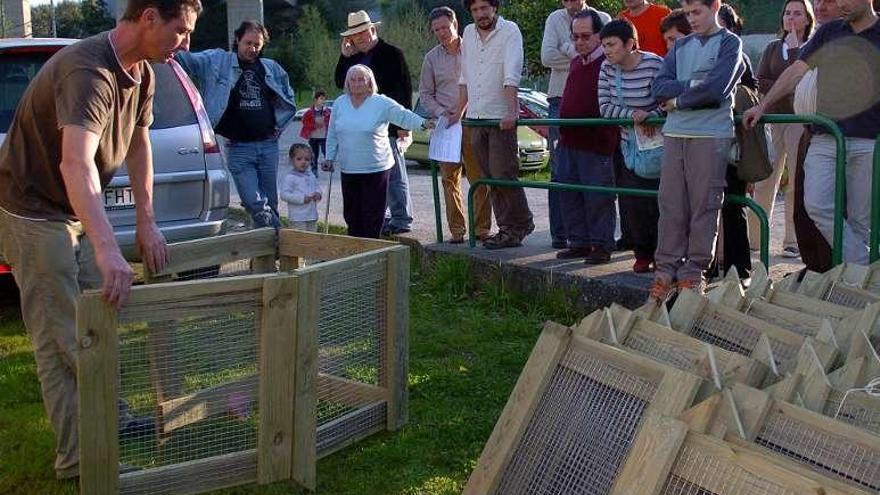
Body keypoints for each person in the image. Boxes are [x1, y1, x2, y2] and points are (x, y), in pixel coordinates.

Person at [0, 0, 199, 479]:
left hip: (70, 208)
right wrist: (109, 249)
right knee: (62, 335)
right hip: (32, 208)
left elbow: (137, 144)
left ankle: (114, 418)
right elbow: (76, 163)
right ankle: (79, 459)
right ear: (149, 17)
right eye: (181, 30)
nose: (186, 43)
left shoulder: (144, 73)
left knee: (97, 316)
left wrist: (148, 222)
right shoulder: (87, 71)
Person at [744, 0, 880, 265]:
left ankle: (857, 284)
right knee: (816, 204)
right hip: (826, 135)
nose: (841, 4)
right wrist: (763, 105)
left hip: (868, 139)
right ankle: (866, 266)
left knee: (861, 219)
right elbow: (796, 72)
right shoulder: (829, 32)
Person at [650, 0, 744, 300]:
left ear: (715, 6)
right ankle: (664, 273)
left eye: (697, 12)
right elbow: (658, 87)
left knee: (704, 205)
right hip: (675, 134)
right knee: (670, 205)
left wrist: (678, 100)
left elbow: (716, 89)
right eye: (687, 13)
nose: (691, 19)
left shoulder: (731, 43)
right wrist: (693, 86)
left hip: (710, 134)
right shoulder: (680, 46)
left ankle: (693, 275)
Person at [175, 21, 296, 229]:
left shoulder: (270, 67)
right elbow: (186, 60)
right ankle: (283, 237)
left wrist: (280, 125)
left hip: (268, 145)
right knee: (254, 202)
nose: (253, 49)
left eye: (257, 45)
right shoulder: (217, 60)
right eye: (248, 43)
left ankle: (265, 257)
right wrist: (176, 37)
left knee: (270, 203)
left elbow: (288, 95)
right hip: (239, 148)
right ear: (237, 40)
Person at [455, 0, 534, 249]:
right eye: (475, 10)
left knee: (503, 173)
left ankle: (517, 225)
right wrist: (457, 113)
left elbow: (512, 72)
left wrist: (512, 111)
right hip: (476, 116)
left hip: (500, 117)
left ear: (494, 8)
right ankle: (510, 227)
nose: (480, 14)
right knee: (488, 177)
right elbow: (464, 76)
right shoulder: (467, 32)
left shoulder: (509, 30)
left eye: (484, 8)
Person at [323, 65, 434, 239]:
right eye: (353, 79)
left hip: (376, 168)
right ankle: (355, 249)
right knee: (352, 214)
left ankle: (371, 250)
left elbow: (403, 115)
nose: (357, 83)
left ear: (370, 83)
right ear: (347, 83)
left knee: (372, 214)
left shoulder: (381, 102)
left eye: (362, 79)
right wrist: (329, 157)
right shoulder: (340, 103)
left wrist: (424, 123)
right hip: (349, 168)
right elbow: (332, 132)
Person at [541, 0, 612, 249]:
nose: (579, 42)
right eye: (575, 38)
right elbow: (545, 56)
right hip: (570, 136)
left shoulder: (606, 64)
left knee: (596, 195)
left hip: (595, 140)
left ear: (600, 36)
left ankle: (601, 245)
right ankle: (578, 241)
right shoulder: (576, 62)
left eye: (585, 36)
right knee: (568, 188)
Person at [335, 10, 414, 236]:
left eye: (362, 33)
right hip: (361, 131)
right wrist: (345, 56)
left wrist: (403, 125)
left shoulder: (392, 53)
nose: (359, 38)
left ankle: (401, 218)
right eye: (355, 35)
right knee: (373, 181)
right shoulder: (353, 57)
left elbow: (404, 89)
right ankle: (383, 218)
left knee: (394, 175)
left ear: (372, 30)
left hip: (387, 125)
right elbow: (340, 82)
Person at [419, 6, 492, 244]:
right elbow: (425, 94)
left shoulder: (474, 48)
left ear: (455, 25)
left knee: (478, 176)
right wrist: (443, 113)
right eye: (436, 29)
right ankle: (457, 231)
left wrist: (465, 110)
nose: (441, 32)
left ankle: (481, 229)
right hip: (447, 125)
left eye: (444, 27)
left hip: (473, 120)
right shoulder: (431, 58)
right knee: (449, 179)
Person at [750, 0, 816, 260]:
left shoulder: (812, 48)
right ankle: (754, 239)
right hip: (773, 119)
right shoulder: (772, 48)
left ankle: (792, 240)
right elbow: (761, 80)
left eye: (797, 13)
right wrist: (782, 83)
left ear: (807, 18)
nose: (791, 18)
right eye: (788, 13)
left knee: (796, 182)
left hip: (800, 119)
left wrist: (795, 55)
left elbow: (805, 80)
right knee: (766, 178)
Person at [598, 19, 664, 273]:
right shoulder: (606, 69)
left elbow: (666, 99)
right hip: (629, 146)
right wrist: (634, 115)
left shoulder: (654, 64)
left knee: (660, 203)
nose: (607, 50)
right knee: (634, 204)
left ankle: (663, 253)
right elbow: (605, 107)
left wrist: (652, 115)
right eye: (604, 45)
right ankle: (642, 253)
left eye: (612, 44)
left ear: (630, 44)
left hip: (658, 145)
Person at [791, 0, 842, 272]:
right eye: (818, 0)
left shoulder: (848, 36)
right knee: (803, 207)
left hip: (840, 134)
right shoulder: (818, 38)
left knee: (831, 207)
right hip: (810, 130)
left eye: (829, 1)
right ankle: (814, 267)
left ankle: (837, 267)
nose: (821, 6)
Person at [281, 144, 321, 232]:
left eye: (307, 159)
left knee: (312, 237)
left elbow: (317, 187)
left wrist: (318, 194)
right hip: (297, 217)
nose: (303, 162)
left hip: (311, 215)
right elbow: (284, 195)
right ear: (292, 160)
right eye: (299, 159)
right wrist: (301, 199)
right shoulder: (290, 177)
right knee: (299, 239)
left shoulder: (311, 175)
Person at [299, 89, 331, 175]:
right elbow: (305, 122)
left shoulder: (327, 112)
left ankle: (328, 165)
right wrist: (314, 125)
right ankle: (314, 169)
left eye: (324, 99)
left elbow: (331, 123)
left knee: (326, 151)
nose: (323, 101)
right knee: (314, 154)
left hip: (324, 136)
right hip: (313, 136)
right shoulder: (309, 112)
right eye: (321, 98)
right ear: (316, 100)